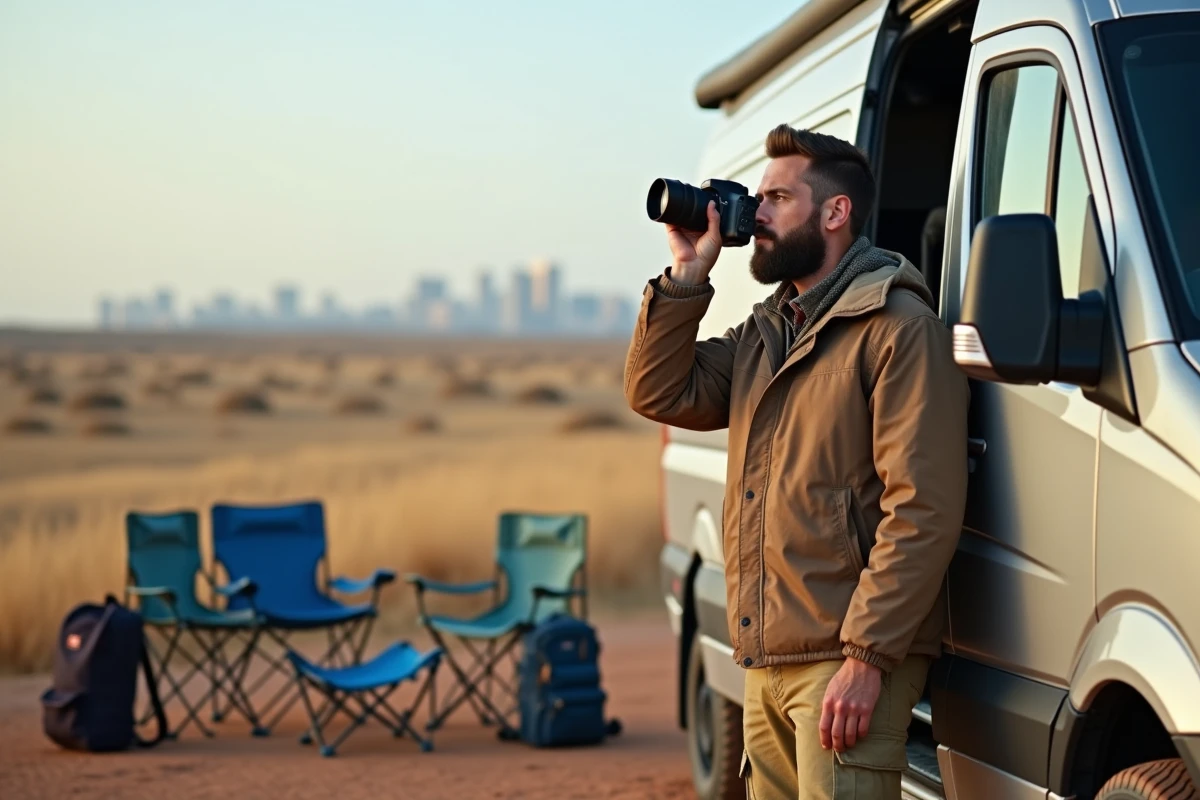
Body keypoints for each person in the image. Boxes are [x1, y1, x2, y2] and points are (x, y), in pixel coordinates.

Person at [624, 124, 969, 799]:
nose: (756, 217)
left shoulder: (897, 327)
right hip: (770, 657)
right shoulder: (765, 332)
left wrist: (867, 658)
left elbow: (922, 506)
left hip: (845, 662)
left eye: (777, 198)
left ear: (834, 212)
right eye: (756, 200)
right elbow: (658, 389)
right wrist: (687, 277)